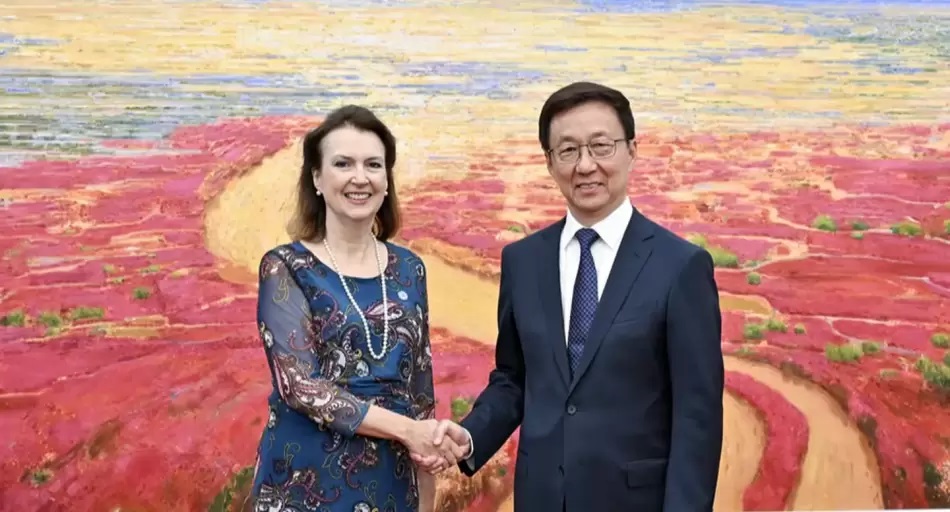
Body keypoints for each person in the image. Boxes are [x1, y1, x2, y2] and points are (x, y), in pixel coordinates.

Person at [414, 82, 725, 511]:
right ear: (549, 161)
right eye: (568, 150)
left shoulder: (680, 266)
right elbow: (515, 379)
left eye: (601, 146)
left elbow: (697, 414)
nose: (585, 165)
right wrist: (470, 436)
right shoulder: (523, 261)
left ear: (631, 150)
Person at [246, 105, 467, 512]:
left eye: (373, 165)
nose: (360, 177)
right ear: (317, 178)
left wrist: (426, 488)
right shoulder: (286, 267)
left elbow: (419, 391)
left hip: (391, 483)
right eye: (343, 163)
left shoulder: (409, 269)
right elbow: (300, 386)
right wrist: (407, 430)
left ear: (386, 181)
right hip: (305, 482)